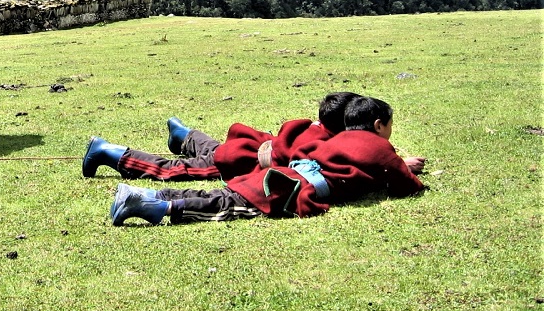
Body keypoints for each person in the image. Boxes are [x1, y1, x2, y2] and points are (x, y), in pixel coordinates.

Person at [109, 94, 426, 226]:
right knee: (224, 205)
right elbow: (407, 184)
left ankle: (143, 194)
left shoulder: (336, 138)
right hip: (285, 190)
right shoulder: (380, 150)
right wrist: (403, 168)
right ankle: (153, 206)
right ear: (378, 126)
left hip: (276, 173)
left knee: (217, 193)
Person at [82, 92, 360, 182]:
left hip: (246, 146)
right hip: (239, 162)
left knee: (212, 148)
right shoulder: (325, 144)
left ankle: (183, 135)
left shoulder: (313, 127)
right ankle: (108, 151)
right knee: (173, 170)